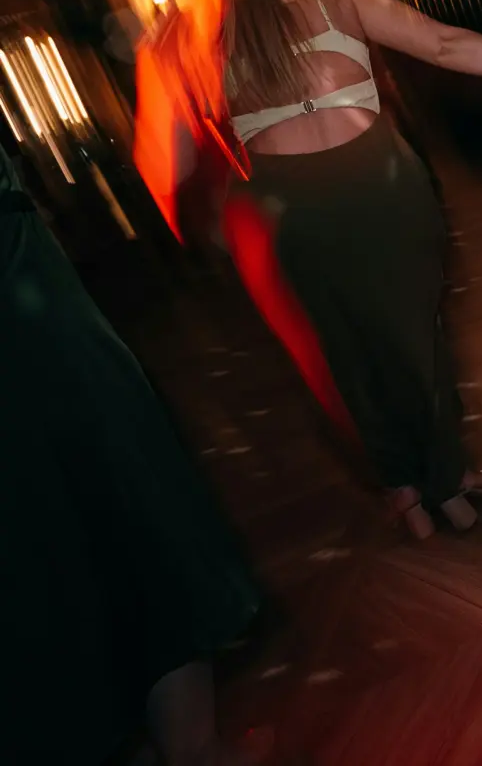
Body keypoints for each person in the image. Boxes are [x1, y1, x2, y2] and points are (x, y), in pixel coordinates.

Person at [136, 0, 482, 540]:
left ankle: (410, 488)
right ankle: (442, 476)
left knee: (345, 356)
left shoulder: (182, 39)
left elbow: (164, 167)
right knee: (417, 337)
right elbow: (442, 43)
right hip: (376, 187)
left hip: (289, 213)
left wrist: (196, 219)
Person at [3, 147, 262, 765]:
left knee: (44, 528)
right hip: (22, 291)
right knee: (122, 489)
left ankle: (138, 735)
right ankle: (192, 747)